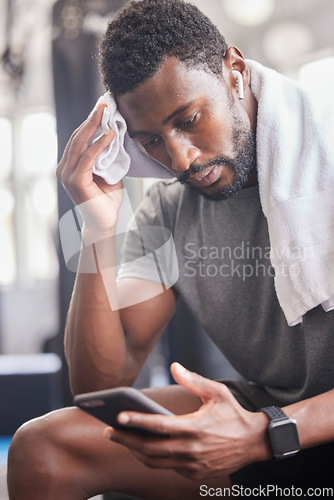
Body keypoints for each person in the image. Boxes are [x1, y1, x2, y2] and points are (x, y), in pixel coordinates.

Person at [7, 0, 334, 498]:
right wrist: (96, 227)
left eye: (189, 119)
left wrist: (271, 431)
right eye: (151, 141)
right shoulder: (168, 211)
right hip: (267, 419)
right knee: (44, 450)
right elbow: (99, 388)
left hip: (291, 425)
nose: (180, 158)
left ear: (235, 73)